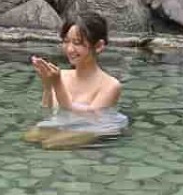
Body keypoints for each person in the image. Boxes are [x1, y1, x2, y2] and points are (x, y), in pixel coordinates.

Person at [25, 12, 127, 149]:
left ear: (98, 46)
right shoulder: (62, 75)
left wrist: (57, 83)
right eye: (66, 41)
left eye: (77, 43)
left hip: (91, 128)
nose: (70, 49)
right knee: (30, 137)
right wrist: (48, 86)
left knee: (51, 144)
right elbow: (49, 110)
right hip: (65, 124)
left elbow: (86, 117)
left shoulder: (111, 85)